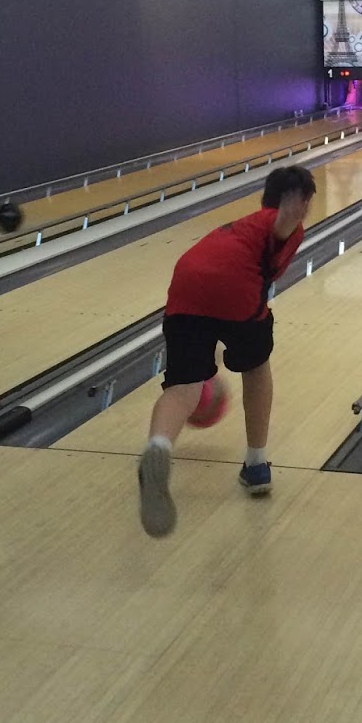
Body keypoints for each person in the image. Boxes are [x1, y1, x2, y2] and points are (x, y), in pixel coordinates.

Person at [137, 164, 317, 537]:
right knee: (256, 366)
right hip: (236, 288)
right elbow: (281, 227)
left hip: (186, 283)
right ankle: (256, 465)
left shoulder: (242, 225)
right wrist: (290, 213)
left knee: (183, 386)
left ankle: (158, 448)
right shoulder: (282, 224)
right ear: (299, 202)